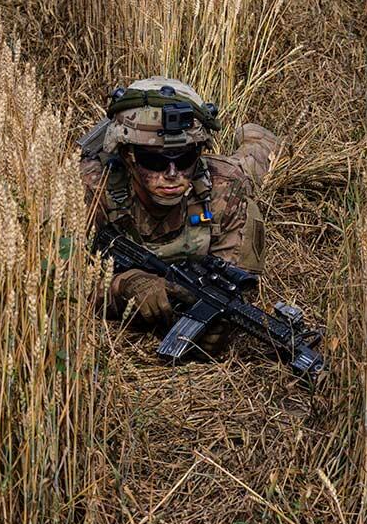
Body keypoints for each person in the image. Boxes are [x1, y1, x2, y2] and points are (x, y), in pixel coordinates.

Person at [80, 76, 278, 354]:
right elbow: (62, 282)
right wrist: (124, 285)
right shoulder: (92, 190)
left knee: (251, 166)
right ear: (128, 156)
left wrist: (214, 322)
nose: (172, 175)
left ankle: (257, 137)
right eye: (155, 160)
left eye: (184, 159)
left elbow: (234, 281)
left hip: (231, 175)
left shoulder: (223, 187)